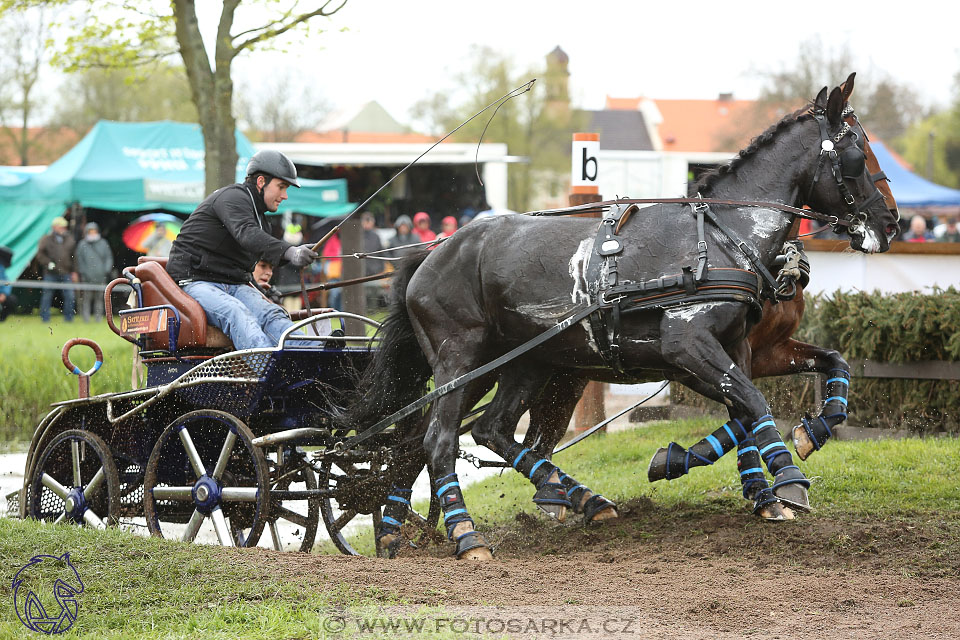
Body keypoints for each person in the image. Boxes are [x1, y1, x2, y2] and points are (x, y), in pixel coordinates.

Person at [166, 149, 322, 350]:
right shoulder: (232, 197)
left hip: (233, 285)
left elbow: (260, 250)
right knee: (236, 312)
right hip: (194, 281)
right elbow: (247, 235)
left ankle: (314, 356)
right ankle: (268, 372)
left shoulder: (260, 219)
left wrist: (292, 257)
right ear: (260, 182)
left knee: (271, 313)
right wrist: (292, 252)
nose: (285, 195)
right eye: (281, 187)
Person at [37, 216, 77, 323]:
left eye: (64, 227)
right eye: (61, 227)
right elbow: (40, 255)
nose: (63, 229)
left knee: (70, 296)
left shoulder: (70, 239)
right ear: (54, 227)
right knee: (47, 296)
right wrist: (48, 263)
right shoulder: (46, 239)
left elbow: (74, 257)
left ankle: (69, 319)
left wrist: (74, 271)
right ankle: (45, 318)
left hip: (66, 272)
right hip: (50, 273)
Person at [75, 222, 114, 322]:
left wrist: (106, 270)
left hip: (101, 276)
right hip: (87, 277)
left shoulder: (103, 243)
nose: (92, 233)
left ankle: (98, 319)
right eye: (90, 231)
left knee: (100, 299)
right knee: (87, 299)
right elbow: (79, 260)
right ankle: (86, 319)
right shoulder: (82, 244)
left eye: (94, 231)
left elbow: (109, 258)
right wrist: (83, 272)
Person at [0, 245, 16, 322]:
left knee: (11, 299)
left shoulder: (1, 268)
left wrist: (4, 294)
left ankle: (2, 319)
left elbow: (6, 281)